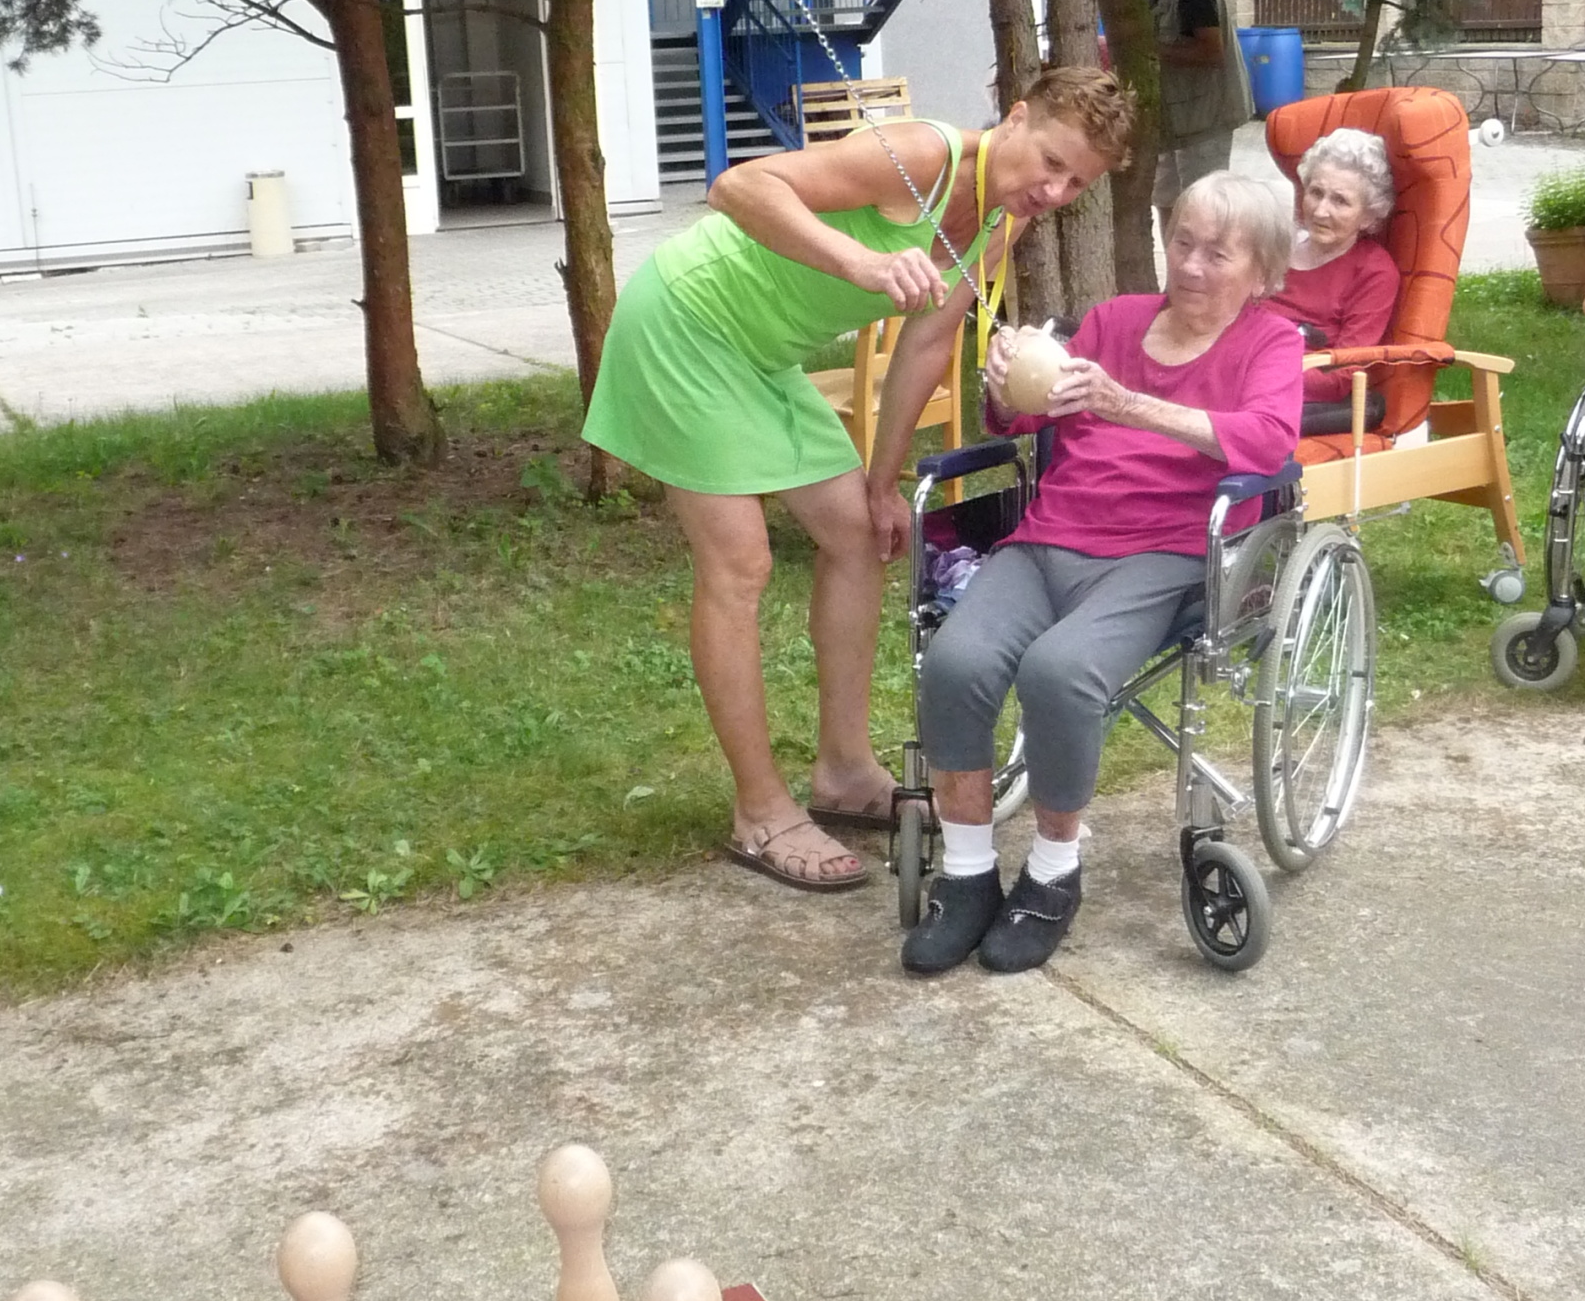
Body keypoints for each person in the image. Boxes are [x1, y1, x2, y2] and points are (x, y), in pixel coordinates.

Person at [581, 66, 1137, 890]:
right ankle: (759, 810)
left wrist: (883, 482)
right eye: (1051, 161)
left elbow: (928, 340)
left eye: (1076, 183)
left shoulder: (1002, 219)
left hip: (760, 355)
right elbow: (738, 187)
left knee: (858, 534)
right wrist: (860, 263)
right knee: (740, 565)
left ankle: (842, 770)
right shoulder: (922, 156)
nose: (1053, 190)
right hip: (686, 324)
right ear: (1016, 119)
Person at [902, 170, 1304, 977]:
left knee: (1060, 673)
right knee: (955, 661)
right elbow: (1027, 412)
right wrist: (1005, 382)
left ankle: (1054, 873)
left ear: (1261, 271)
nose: (1190, 265)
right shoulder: (1114, 320)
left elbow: (1268, 440)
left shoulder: (1271, 343)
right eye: (1181, 242)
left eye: (1217, 253)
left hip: (1164, 555)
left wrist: (1127, 405)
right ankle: (969, 873)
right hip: (1050, 538)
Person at [1271, 127, 1402, 434]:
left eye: (1340, 201)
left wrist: (1259, 374)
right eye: (1316, 192)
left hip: (1294, 396)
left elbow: (1342, 374)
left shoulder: (1374, 272)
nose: (1320, 211)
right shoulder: (1276, 249)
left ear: (1369, 216)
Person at [1140, 0, 1254, 230]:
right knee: (1166, 199)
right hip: (1178, 120)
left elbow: (1211, 51)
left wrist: (1151, 51)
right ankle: (1176, 263)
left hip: (1206, 120)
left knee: (1203, 204)